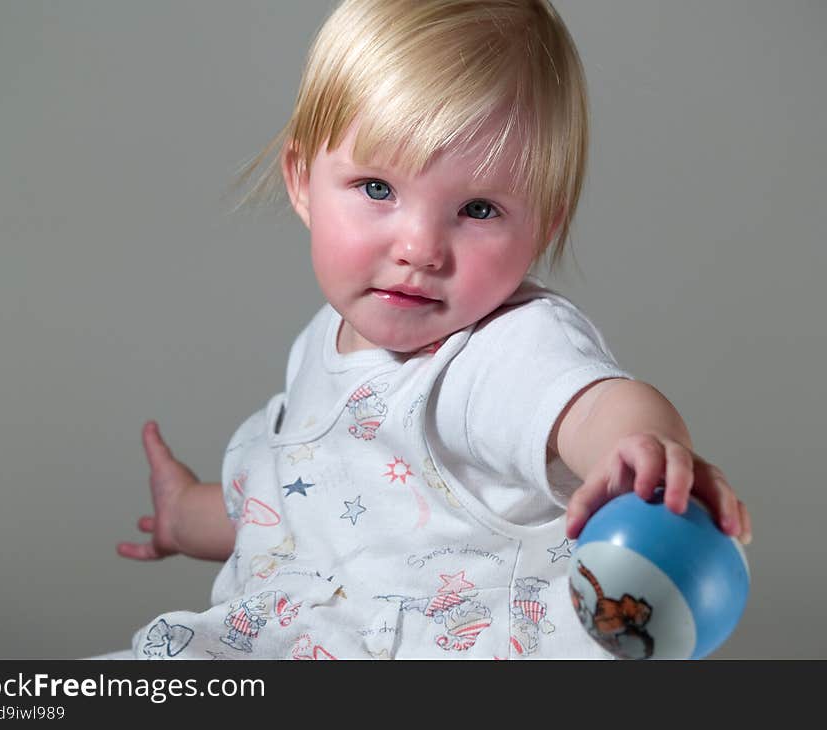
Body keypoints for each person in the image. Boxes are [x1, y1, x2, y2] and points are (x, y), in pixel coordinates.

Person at [114, 0, 751, 660]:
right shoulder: (317, 348)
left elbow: (593, 406)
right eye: (377, 188)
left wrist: (640, 445)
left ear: (543, 227)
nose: (419, 247)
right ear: (303, 181)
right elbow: (299, 515)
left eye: (478, 209)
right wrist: (184, 514)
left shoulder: (499, 352)